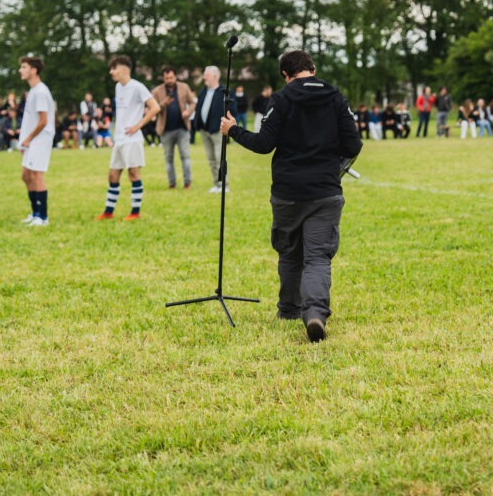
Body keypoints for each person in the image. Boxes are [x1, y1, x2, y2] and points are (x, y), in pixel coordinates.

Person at [220, 49, 363, 343]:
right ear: (312, 67)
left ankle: (288, 309)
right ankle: (314, 313)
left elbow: (264, 144)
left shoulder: (282, 99)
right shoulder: (336, 96)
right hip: (325, 190)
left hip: (287, 192)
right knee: (318, 257)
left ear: (286, 75)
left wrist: (233, 130)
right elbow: (353, 144)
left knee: (289, 251)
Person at [96, 56, 160, 221]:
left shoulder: (137, 87)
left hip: (132, 139)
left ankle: (135, 213)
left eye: (114, 68)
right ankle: (108, 212)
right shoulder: (118, 87)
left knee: (133, 173)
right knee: (113, 175)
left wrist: (138, 126)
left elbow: (155, 107)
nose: (111, 72)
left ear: (124, 69)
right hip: (119, 139)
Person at [18, 56, 55, 226]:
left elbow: (43, 121)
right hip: (31, 141)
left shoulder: (40, 91)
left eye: (24, 67)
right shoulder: (32, 91)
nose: (21, 70)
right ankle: (34, 213)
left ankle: (43, 217)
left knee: (36, 175)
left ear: (34, 70)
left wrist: (28, 139)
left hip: (40, 139)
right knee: (26, 175)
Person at [151, 66, 196, 190]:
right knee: (168, 159)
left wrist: (188, 112)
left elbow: (193, 102)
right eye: (166, 78)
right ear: (163, 78)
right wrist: (164, 103)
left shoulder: (184, 87)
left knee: (185, 156)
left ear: (175, 77)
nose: (169, 80)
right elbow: (153, 108)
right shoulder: (157, 91)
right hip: (165, 130)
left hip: (182, 128)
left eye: (171, 77)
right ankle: (172, 183)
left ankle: (187, 182)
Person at [194, 65, 236, 193]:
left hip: (218, 131)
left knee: (219, 158)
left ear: (215, 76)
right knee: (211, 159)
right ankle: (216, 184)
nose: (204, 77)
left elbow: (232, 110)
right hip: (204, 130)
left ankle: (224, 185)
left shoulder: (225, 91)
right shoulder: (203, 91)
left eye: (206, 75)